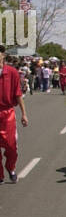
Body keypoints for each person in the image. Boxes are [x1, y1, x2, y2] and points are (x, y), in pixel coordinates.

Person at [0, 45, 28, 182]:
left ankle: (10, 168)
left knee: (11, 146)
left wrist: (24, 114)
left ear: (3, 55)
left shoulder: (11, 72)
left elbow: (18, 94)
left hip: (7, 114)